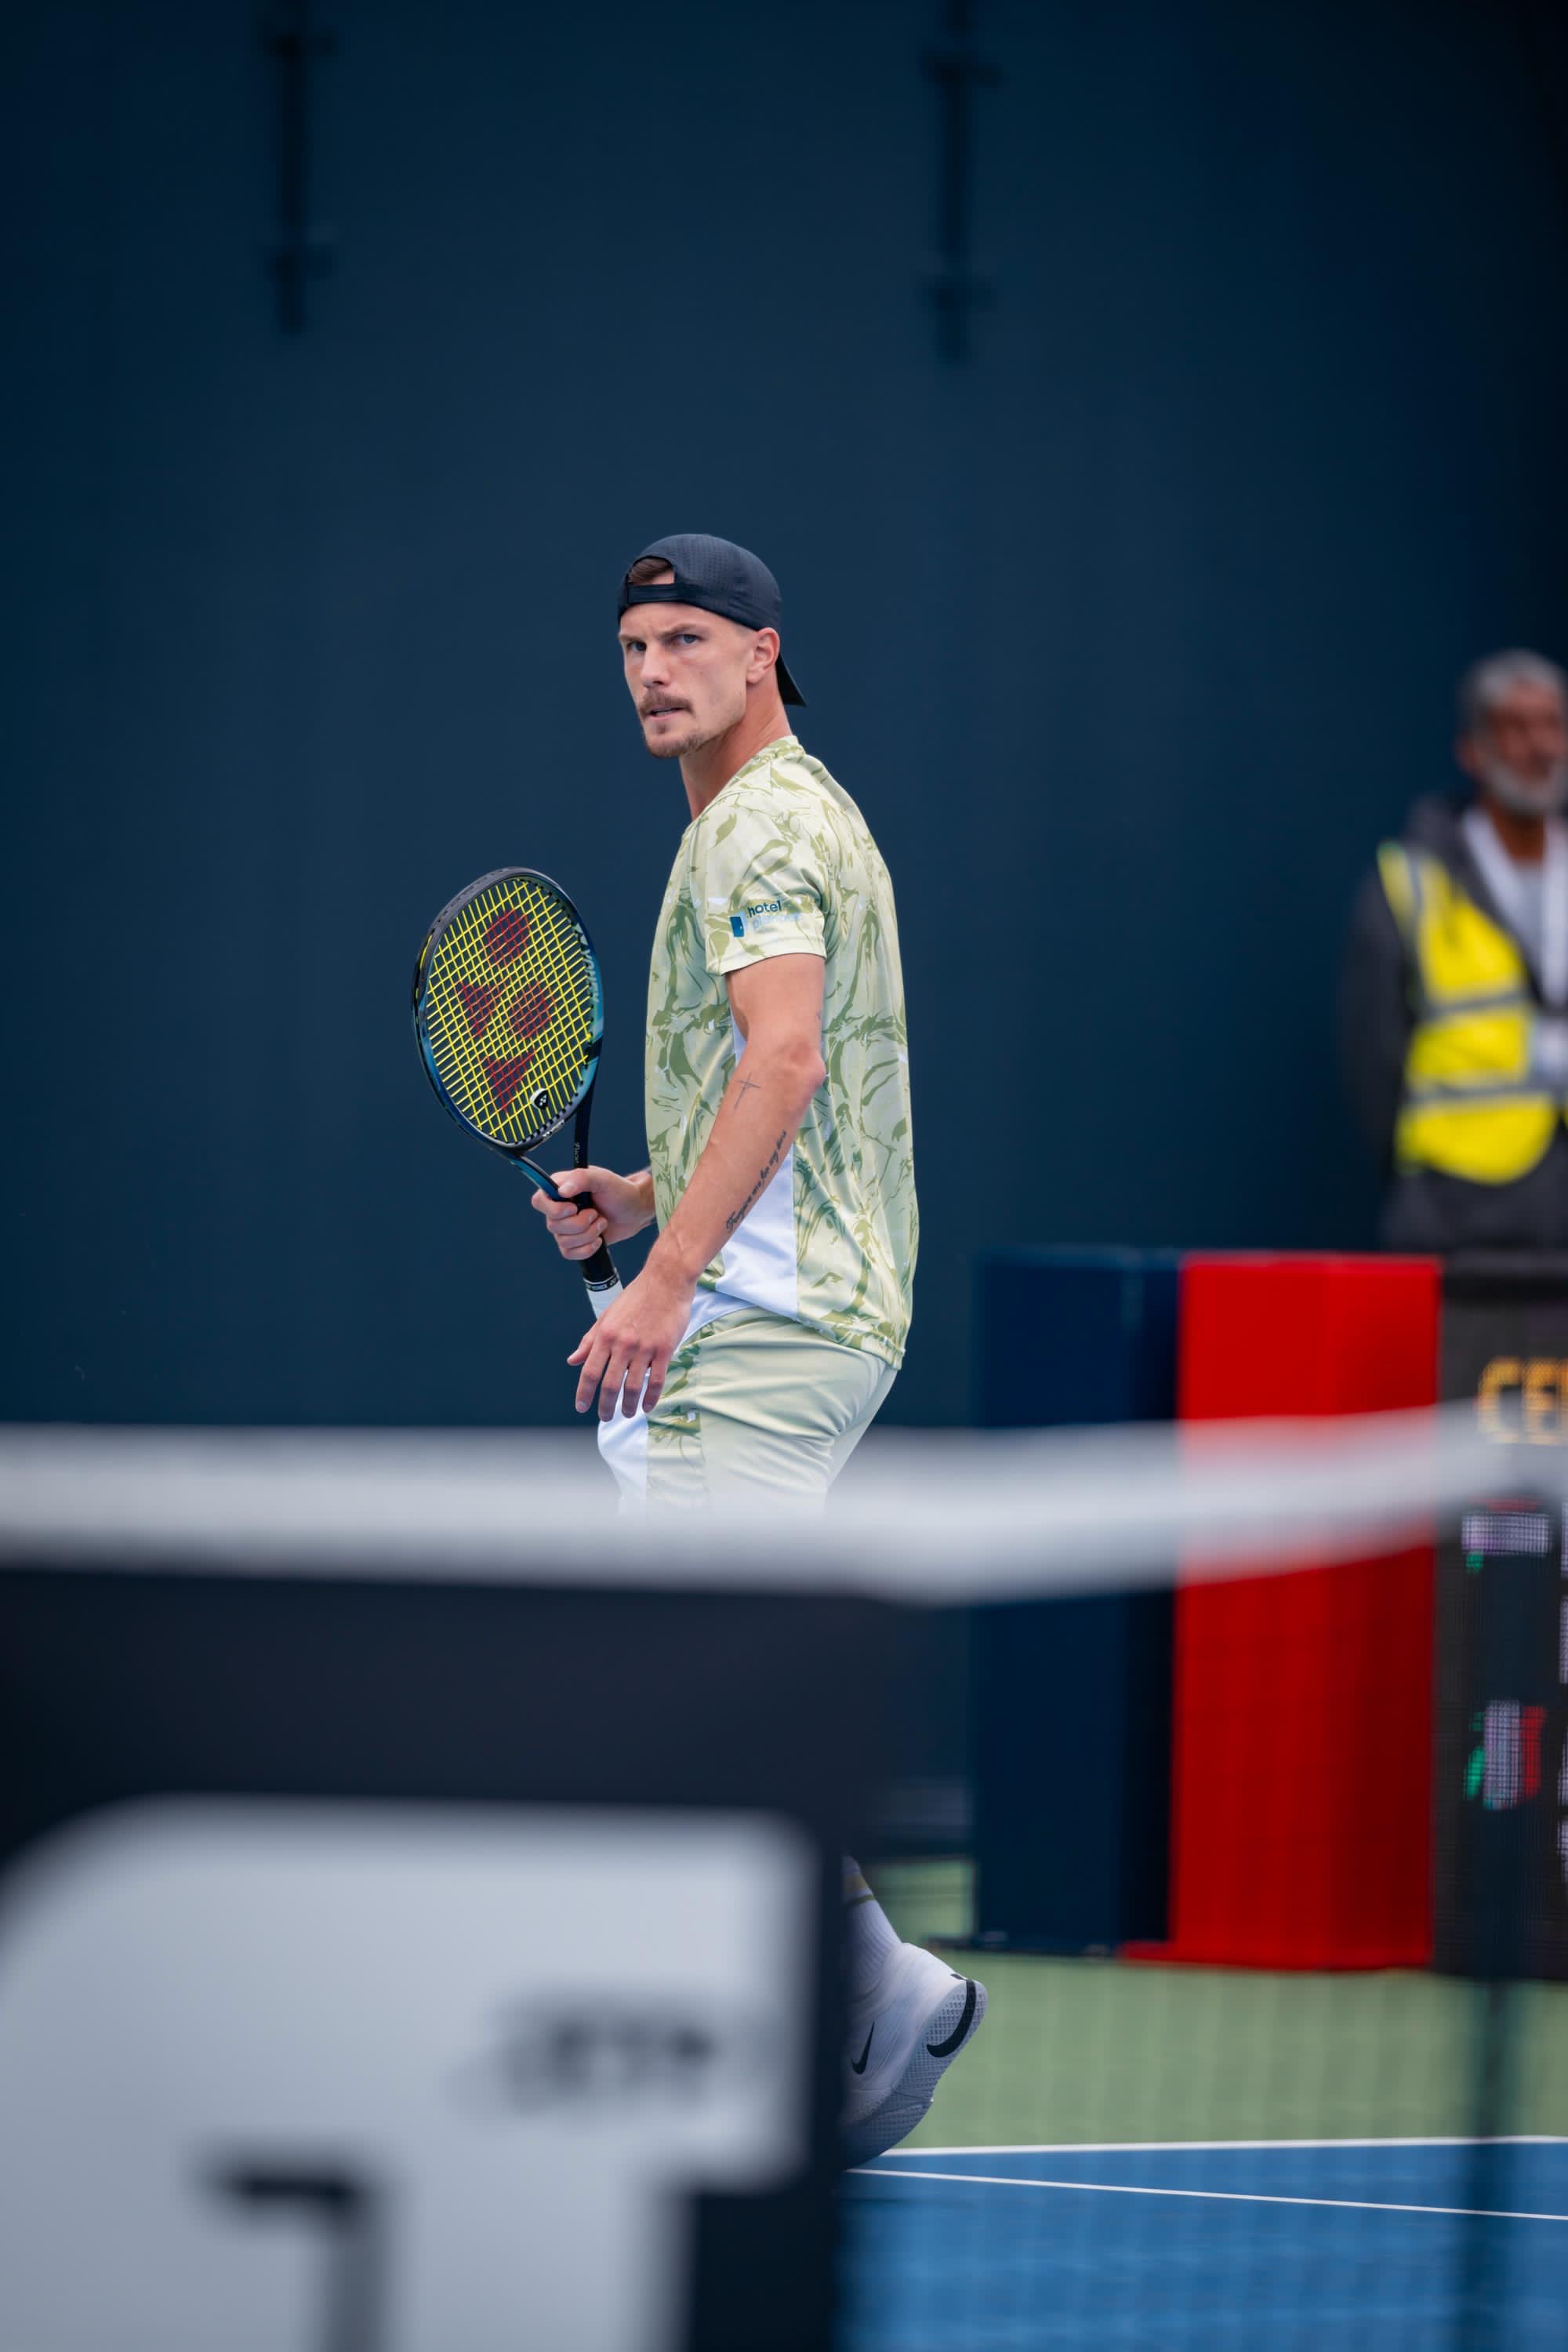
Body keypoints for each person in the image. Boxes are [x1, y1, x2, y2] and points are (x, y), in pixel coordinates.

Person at [530, 531, 985, 2165]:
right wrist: (648, 1197)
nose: (654, 672)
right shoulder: (791, 811)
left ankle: (842, 1996)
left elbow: (782, 1062)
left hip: (775, 1318)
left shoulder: (758, 828)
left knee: (694, 1681)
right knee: (680, 1668)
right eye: (633, 647)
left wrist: (661, 1280)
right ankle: (836, 1989)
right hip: (797, 1301)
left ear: (761, 653)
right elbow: (794, 1077)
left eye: (686, 641)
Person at [1341, 648, 1568, 1253]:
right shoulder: (1413, 882)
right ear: (1473, 751)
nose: (1541, 747)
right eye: (1517, 728)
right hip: (1459, 1208)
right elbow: (1375, 1055)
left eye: (1553, 725)